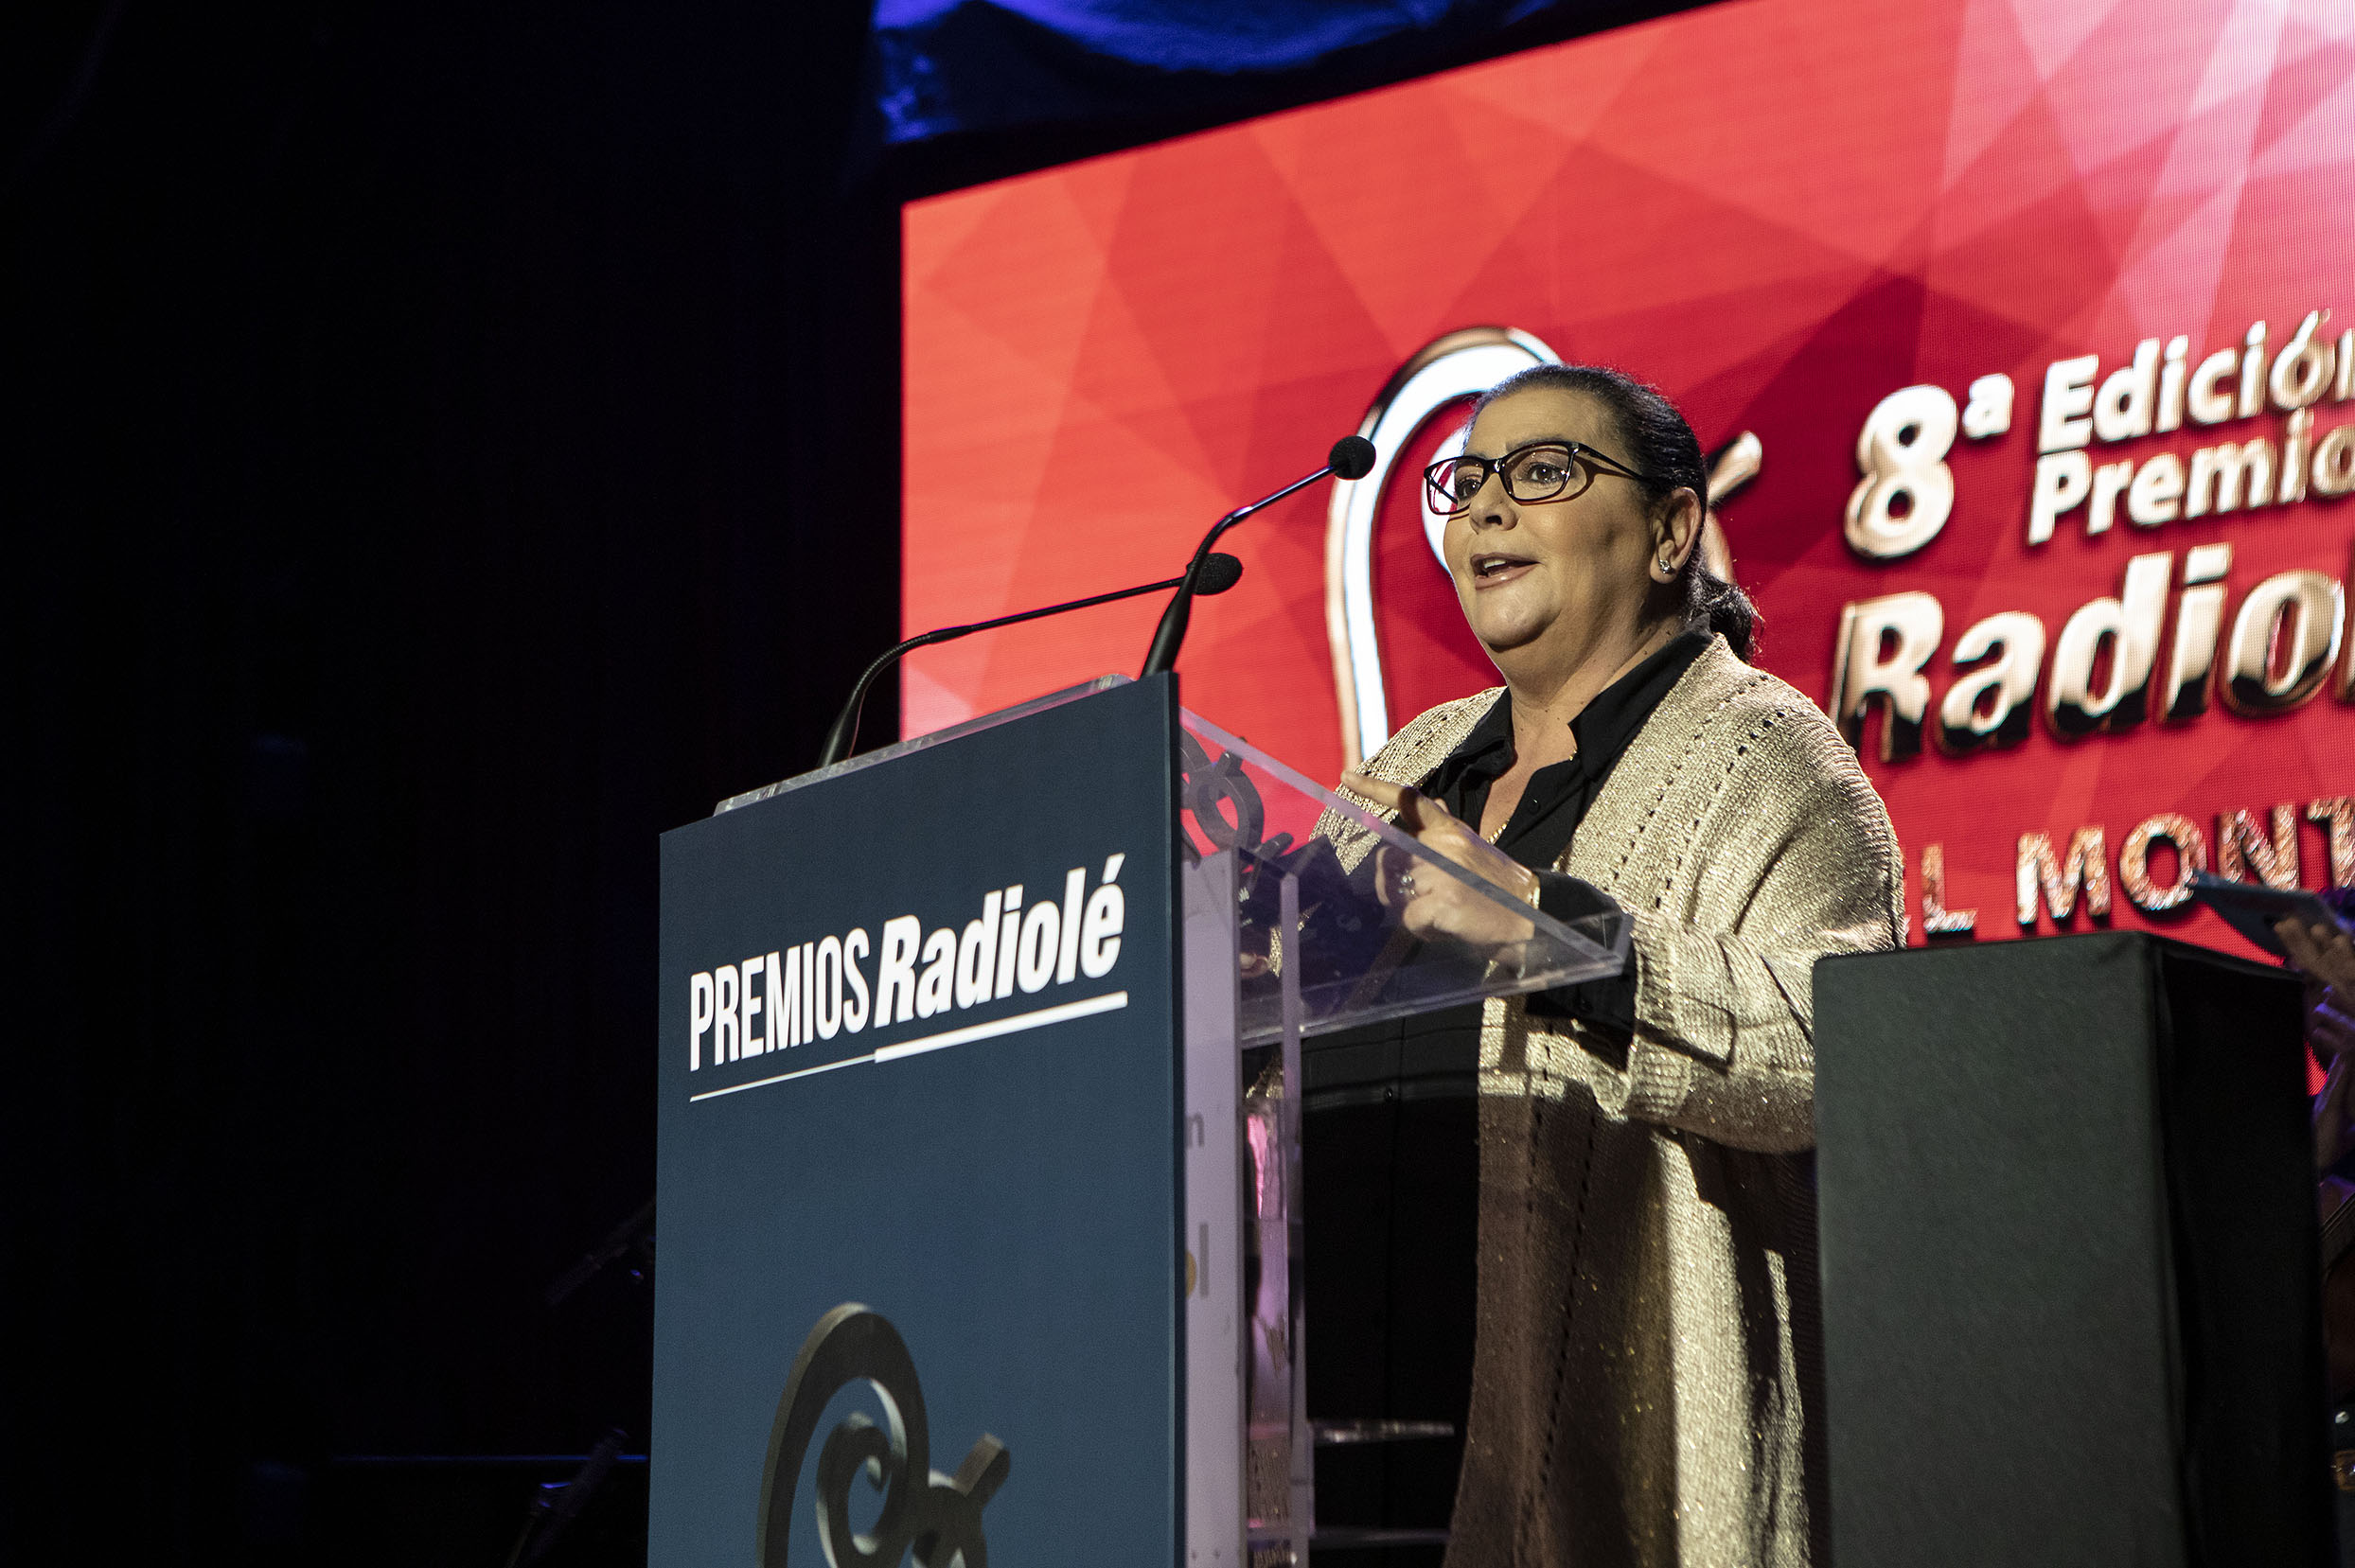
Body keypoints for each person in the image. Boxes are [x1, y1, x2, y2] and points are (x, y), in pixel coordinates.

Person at [1327, 363, 1903, 1566]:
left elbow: (1844, 1054)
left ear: (1671, 530)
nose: (1485, 507)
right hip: (1347, 1452)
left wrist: (1547, 928)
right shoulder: (1415, 762)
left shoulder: (1774, 761)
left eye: (1542, 471)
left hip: (1620, 1466)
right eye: (1468, 480)